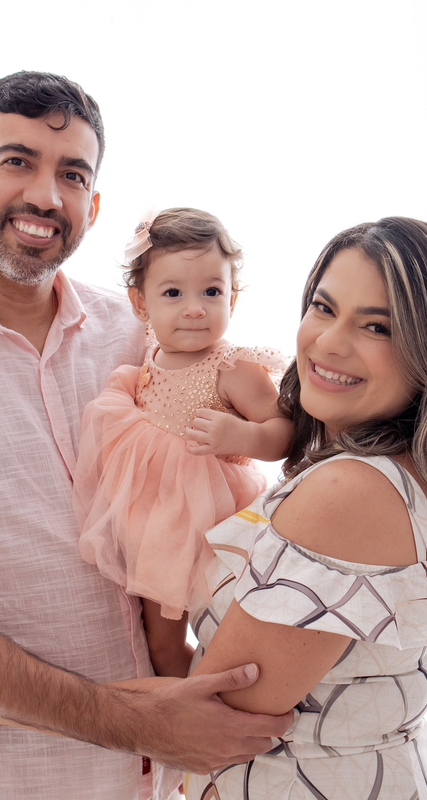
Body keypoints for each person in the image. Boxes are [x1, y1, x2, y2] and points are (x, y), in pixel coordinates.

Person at [0, 71, 291, 800]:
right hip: (17, 782)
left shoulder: (143, 330)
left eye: (72, 174)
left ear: (93, 205)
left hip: (185, 778)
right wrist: (137, 721)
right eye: (18, 161)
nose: (45, 196)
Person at [184, 217, 427, 798]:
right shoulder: (398, 473)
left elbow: (203, 723)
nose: (330, 342)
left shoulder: (353, 490)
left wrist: (31, 701)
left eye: (377, 327)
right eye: (324, 307)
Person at [73, 207, 291, 680]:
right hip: (157, 527)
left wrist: (243, 435)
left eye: (212, 292)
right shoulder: (149, 355)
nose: (195, 308)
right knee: (162, 642)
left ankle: (237, 690)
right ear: (141, 304)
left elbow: (285, 432)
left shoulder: (233, 367)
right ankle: (184, 701)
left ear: (233, 296)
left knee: (227, 625)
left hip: (217, 521)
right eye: (173, 293)